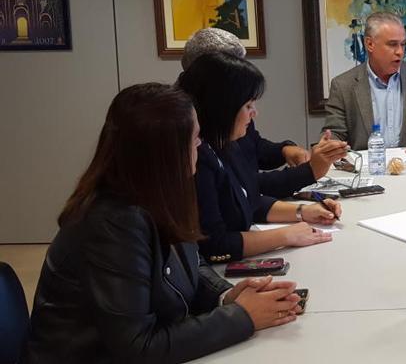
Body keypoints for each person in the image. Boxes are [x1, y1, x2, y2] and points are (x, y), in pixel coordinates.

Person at [23, 83, 303, 363]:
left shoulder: (155, 194)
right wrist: (242, 317)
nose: (200, 146)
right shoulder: (111, 223)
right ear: (167, 153)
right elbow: (139, 347)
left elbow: (192, 261)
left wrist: (227, 297)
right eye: (194, 139)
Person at [178, 53, 349, 262]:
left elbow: (247, 200)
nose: (254, 113)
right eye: (248, 106)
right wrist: (286, 235)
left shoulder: (225, 144)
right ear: (223, 108)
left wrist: (302, 212)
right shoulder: (197, 158)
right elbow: (214, 244)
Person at [183, 27, 311, 168]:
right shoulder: (185, 119)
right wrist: (307, 173)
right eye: (234, 67)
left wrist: (284, 149)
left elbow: (252, 146)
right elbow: (247, 182)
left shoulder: (234, 105)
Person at [323, 11, 406, 154]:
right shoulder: (343, 85)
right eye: (392, 44)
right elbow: (335, 133)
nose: (400, 52)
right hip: (367, 169)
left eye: (403, 44)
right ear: (370, 44)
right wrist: (329, 144)